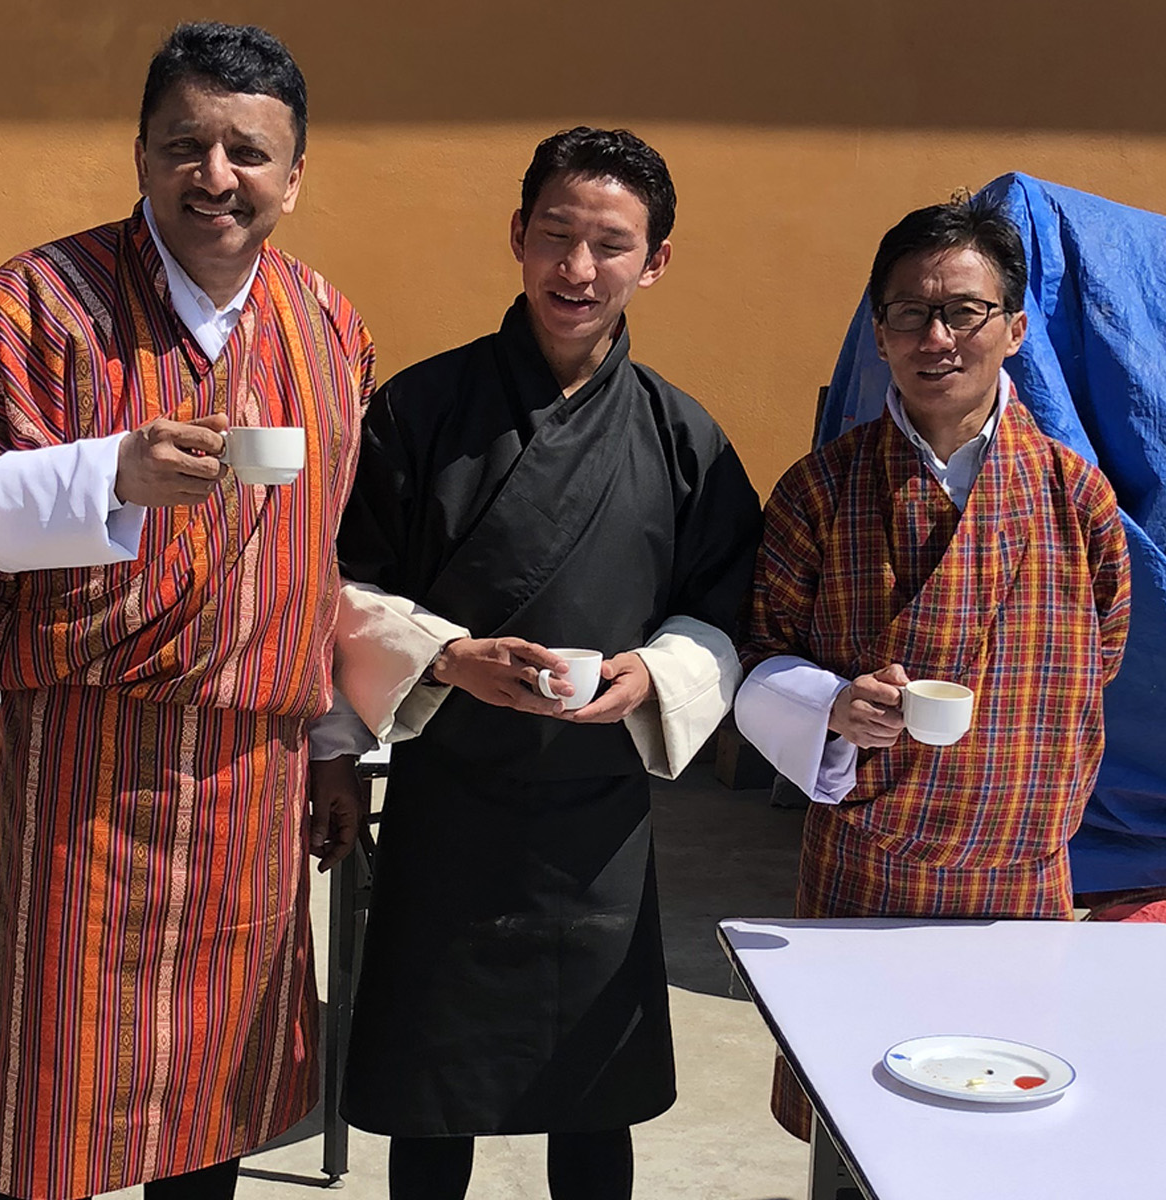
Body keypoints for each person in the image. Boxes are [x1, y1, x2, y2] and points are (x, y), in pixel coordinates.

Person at [0, 22, 375, 1200]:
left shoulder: (330, 327)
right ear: (141, 155)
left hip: (257, 771)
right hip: (91, 759)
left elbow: (320, 556)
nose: (217, 177)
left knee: (212, 1092)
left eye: (249, 153)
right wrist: (101, 476)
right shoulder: (42, 301)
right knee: (58, 1080)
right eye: (186, 146)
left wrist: (329, 745)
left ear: (296, 173)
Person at [319, 127, 762, 1200]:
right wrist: (446, 657)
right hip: (449, 802)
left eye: (610, 244)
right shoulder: (420, 412)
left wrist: (656, 676)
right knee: (436, 1095)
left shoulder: (679, 434)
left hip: (593, 815)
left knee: (589, 1092)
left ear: (653, 261)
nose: (578, 269)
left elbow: (729, 607)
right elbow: (339, 585)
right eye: (556, 235)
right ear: (518, 236)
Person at [734, 194, 1131, 1139]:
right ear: (879, 333)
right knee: (858, 1125)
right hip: (869, 868)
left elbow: (1099, 653)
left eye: (965, 311)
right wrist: (830, 704)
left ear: (1016, 329)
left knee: (1002, 1125)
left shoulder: (1076, 496)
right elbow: (758, 652)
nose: (937, 336)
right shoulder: (820, 487)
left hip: (1021, 883)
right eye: (910, 313)